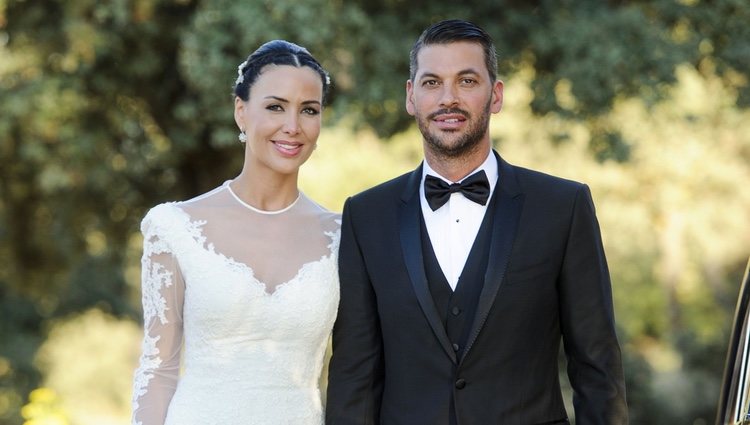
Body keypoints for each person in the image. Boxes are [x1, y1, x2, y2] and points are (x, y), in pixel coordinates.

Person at [326, 19, 628, 424]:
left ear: (496, 95)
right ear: (411, 96)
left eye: (467, 81)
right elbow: (354, 374)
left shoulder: (562, 206)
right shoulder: (366, 215)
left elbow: (597, 366)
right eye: (432, 82)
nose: (448, 99)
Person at [130, 40, 340, 425]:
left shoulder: (343, 237)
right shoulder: (174, 227)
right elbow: (158, 370)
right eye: (275, 106)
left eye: (308, 110)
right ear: (241, 112)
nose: (292, 127)